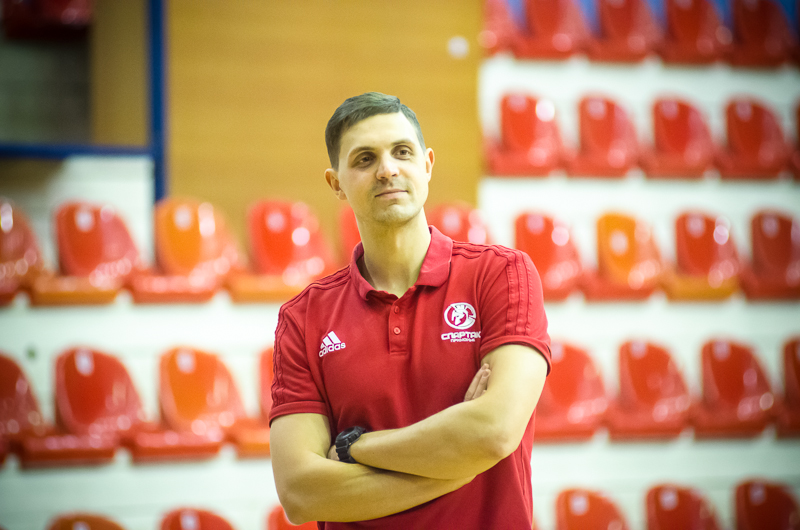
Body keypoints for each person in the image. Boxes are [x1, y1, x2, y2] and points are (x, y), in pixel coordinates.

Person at [269, 92, 551, 529]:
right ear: (336, 183)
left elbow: (495, 431)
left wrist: (353, 447)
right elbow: (302, 494)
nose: (387, 170)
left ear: (427, 164)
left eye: (402, 152)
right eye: (365, 159)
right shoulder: (304, 318)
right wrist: (459, 465)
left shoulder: (502, 274)